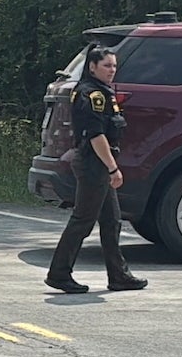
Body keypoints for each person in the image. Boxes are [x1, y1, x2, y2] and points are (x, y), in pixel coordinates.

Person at [45, 46, 146, 295]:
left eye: (113, 65)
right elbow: (95, 135)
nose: (112, 70)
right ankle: (59, 273)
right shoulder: (91, 95)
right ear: (92, 67)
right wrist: (113, 168)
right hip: (94, 163)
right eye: (106, 66)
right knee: (83, 220)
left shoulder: (102, 92)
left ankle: (118, 275)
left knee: (111, 221)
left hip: (98, 162)